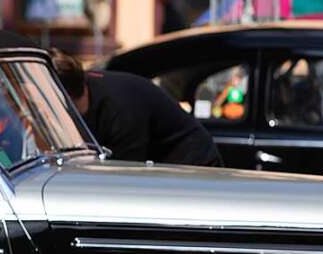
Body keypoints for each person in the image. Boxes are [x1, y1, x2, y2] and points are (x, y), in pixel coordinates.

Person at [51, 49, 222, 167]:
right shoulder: (86, 92)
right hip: (162, 165)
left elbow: (126, 171)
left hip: (191, 163)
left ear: (62, 96)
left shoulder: (119, 108)